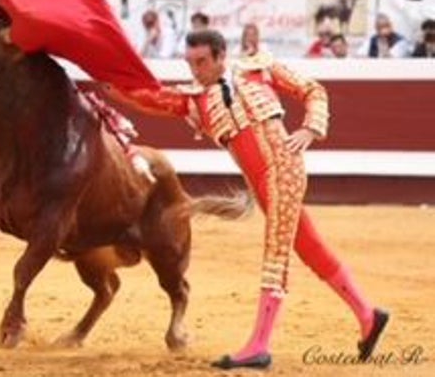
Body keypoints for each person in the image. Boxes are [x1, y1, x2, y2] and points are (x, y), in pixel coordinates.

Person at [109, 30, 389, 370]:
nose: (195, 70)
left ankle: (259, 345)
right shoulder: (193, 100)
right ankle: (367, 315)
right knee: (311, 248)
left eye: (202, 62)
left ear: (220, 56)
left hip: (284, 169)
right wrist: (110, 81)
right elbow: (151, 97)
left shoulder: (258, 69)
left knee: (275, 255)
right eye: (190, 63)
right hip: (260, 183)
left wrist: (311, 129)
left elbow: (313, 90)